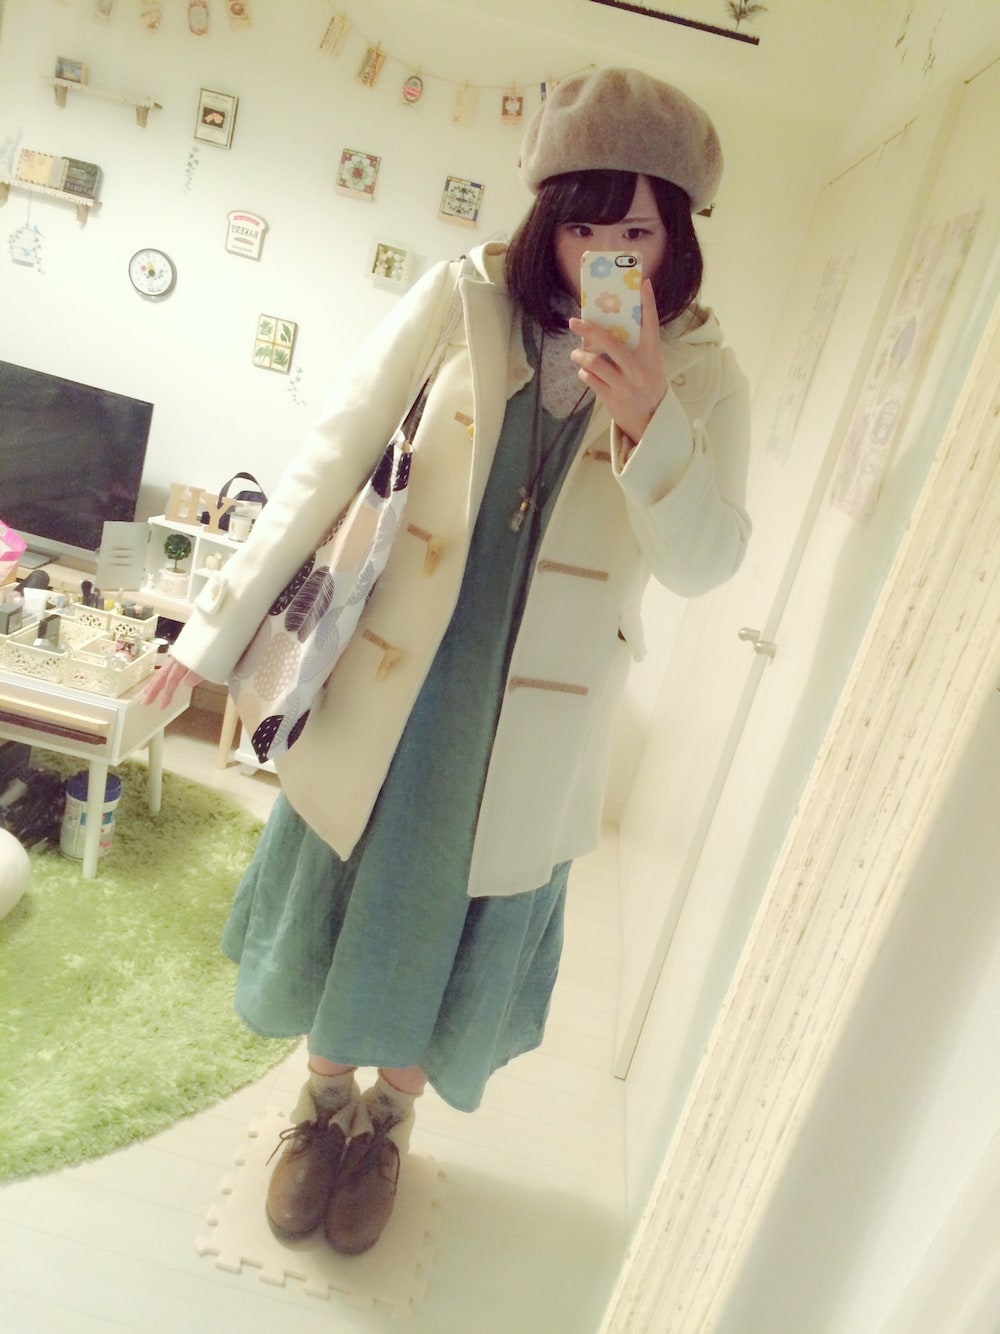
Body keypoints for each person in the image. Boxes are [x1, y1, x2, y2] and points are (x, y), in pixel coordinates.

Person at [145, 66, 752, 1256]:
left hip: (535, 725)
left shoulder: (706, 373)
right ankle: (318, 1106)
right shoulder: (461, 299)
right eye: (584, 226)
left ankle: (386, 1126)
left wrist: (651, 421)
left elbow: (706, 562)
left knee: (461, 924)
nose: (607, 256)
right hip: (394, 685)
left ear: (676, 237)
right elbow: (327, 461)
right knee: (354, 894)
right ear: (547, 219)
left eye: (637, 233)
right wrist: (208, 632)